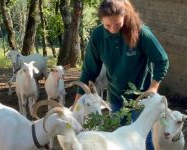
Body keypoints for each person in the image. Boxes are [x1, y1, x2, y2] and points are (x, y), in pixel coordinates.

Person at [72, 0, 169, 149]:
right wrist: (76, 102)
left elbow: (162, 60)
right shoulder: (98, 36)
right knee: (117, 138)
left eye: (117, 24)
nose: (112, 29)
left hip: (141, 98)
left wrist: (153, 88)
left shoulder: (141, 32)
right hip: (116, 97)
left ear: (124, 15)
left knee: (143, 139)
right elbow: (89, 71)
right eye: (107, 25)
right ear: (101, 21)